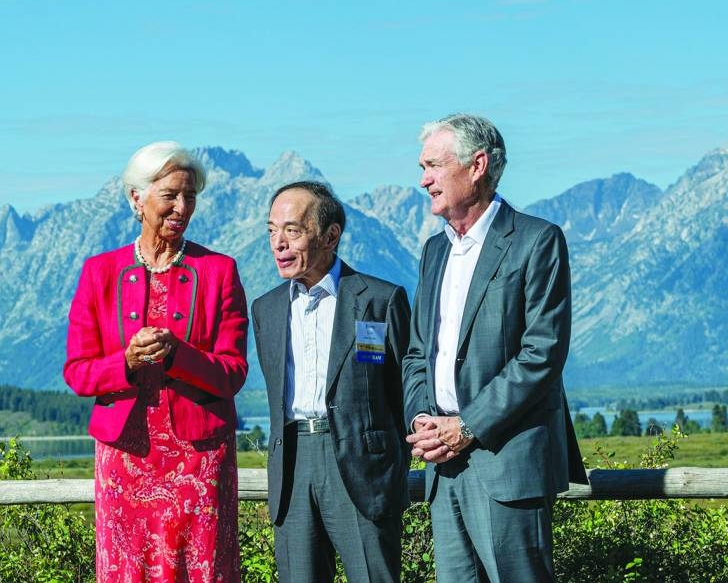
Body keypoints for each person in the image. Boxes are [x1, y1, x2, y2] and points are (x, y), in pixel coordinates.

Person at [402, 114, 588, 583]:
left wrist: (466, 425)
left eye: (433, 166)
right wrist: (423, 420)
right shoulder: (434, 251)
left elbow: (542, 354)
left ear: (477, 165)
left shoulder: (536, 240)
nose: (423, 180)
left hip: (507, 464)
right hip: (442, 468)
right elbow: (416, 354)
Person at [64, 141, 248, 583]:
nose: (182, 207)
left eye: (190, 196)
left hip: (200, 459)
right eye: (170, 195)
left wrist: (178, 355)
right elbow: (77, 372)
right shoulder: (99, 272)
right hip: (125, 457)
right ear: (137, 198)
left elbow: (233, 372)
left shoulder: (220, 271)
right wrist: (125, 362)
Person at [252, 181, 411, 583]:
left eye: (292, 230)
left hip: (363, 465)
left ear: (330, 236)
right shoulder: (266, 309)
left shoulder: (379, 299)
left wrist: (392, 467)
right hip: (292, 465)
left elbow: (403, 390)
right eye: (272, 230)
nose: (279, 244)